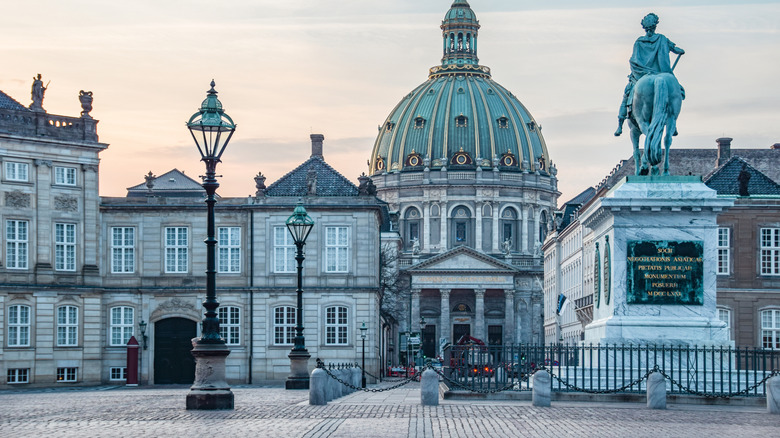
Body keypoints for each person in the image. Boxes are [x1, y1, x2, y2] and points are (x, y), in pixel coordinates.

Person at [615, 13, 685, 136]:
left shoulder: (639, 42)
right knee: (678, 91)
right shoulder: (662, 39)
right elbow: (677, 50)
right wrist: (679, 51)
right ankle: (673, 123)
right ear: (655, 26)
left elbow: (634, 61)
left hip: (642, 75)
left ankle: (620, 124)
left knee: (627, 94)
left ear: (644, 27)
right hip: (662, 73)